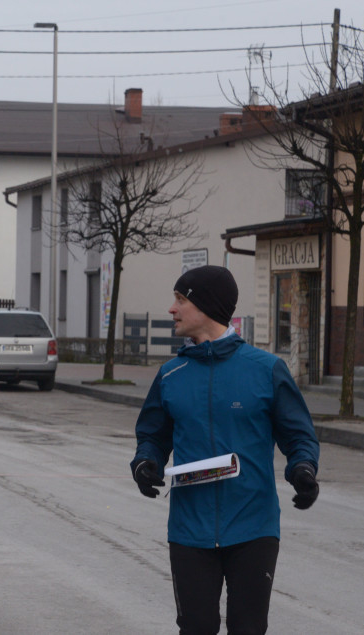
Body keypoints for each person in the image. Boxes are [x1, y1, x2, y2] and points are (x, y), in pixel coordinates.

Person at [131, 265, 320, 635]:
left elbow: (298, 435)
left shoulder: (266, 370)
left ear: (206, 307)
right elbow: (152, 435)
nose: (172, 309)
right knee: (196, 627)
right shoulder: (171, 375)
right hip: (190, 529)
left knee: (248, 629)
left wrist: (303, 470)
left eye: (180, 299)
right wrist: (144, 463)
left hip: (254, 526)